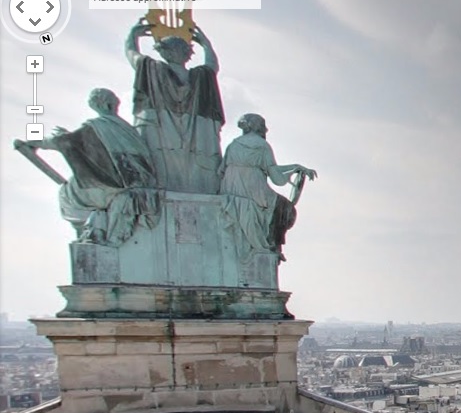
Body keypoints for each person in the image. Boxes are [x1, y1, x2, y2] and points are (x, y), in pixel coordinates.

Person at [22, 88, 161, 243]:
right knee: (84, 189)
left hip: (115, 184)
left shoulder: (97, 126)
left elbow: (65, 141)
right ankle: (95, 228)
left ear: (100, 105)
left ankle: (89, 231)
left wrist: (34, 142)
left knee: (67, 194)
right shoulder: (125, 128)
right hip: (138, 181)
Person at [126, 21, 224, 193]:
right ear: (188, 54)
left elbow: (132, 55)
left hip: (160, 135)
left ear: (164, 52)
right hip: (196, 145)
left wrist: (133, 36)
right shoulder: (202, 78)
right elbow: (212, 65)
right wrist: (206, 44)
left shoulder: (152, 69)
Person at [220, 113, 316, 259]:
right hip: (252, 190)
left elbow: (221, 170)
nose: (266, 130)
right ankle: (274, 245)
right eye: (264, 126)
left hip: (230, 190)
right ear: (258, 127)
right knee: (285, 209)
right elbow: (277, 178)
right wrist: (295, 170)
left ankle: (273, 245)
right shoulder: (262, 146)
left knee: (280, 207)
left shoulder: (233, 144)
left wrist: (295, 167)